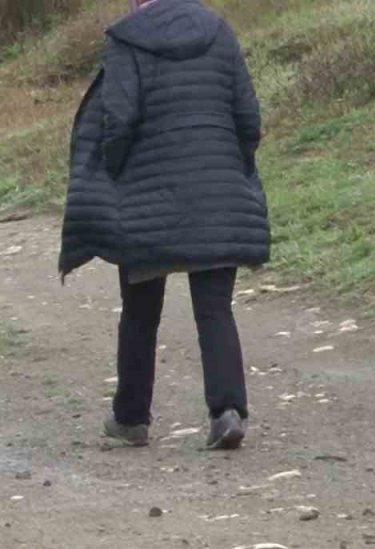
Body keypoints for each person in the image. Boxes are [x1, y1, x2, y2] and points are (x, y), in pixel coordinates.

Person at [59, 0, 270, 450]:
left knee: (140, 311)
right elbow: (248, 117)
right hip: (217, 191)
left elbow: (119, 119)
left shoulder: (127, 38)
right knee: (215, 308)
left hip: (146, 195)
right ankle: (227, 412)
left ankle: (132, 418)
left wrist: (114, 174)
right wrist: (234, 167)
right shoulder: (218, 30)